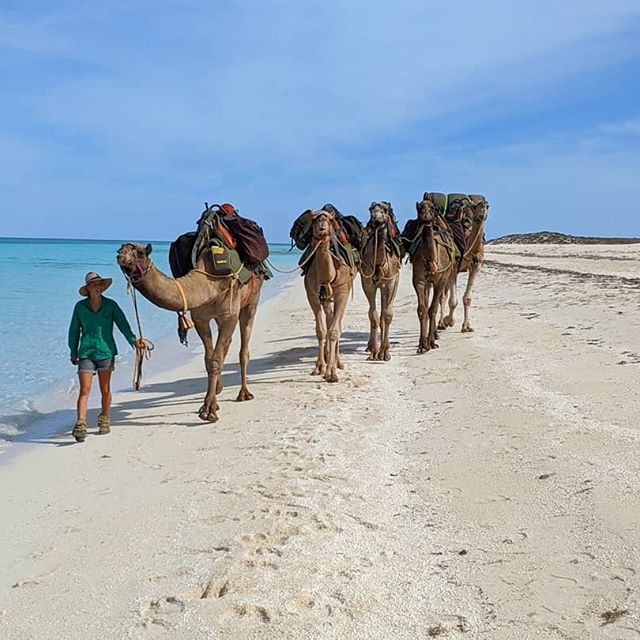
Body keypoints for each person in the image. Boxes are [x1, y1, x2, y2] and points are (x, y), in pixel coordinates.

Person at [68, 272, 142, 442]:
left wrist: (134, 341)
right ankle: (80, 423)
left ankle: (105, 417)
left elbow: (123, 325)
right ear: (88, 288)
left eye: (100, 284)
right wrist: (73, 350)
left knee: (105, 389)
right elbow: (73, 331)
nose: (98, 287)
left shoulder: (111, 306)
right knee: (84, 390)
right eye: (94, 284)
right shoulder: (80, 307)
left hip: (106, 352)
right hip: (86, 352)